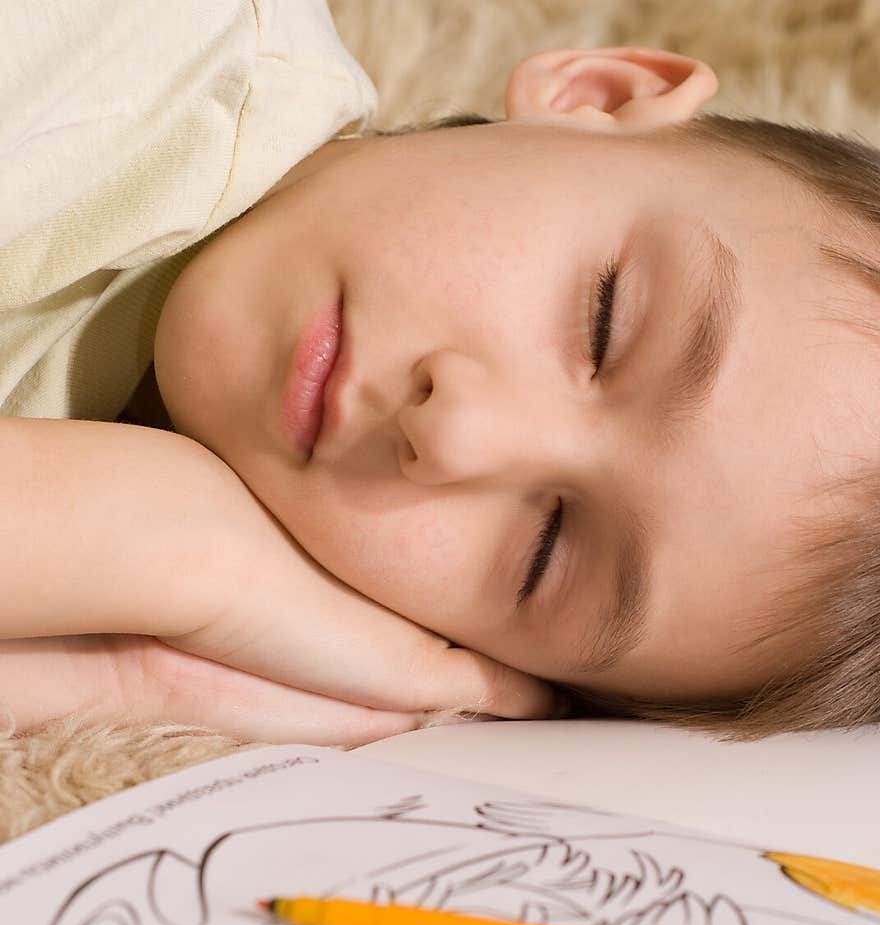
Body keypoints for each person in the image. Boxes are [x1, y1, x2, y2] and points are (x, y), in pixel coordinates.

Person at [3, 3, 880, 746]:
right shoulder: (132, 49)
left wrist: (141, 660)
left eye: (545, 553)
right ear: (597, 98)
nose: (456, 430)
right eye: (604, 322)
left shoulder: (146, 603)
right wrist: (137, 538)